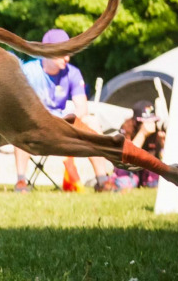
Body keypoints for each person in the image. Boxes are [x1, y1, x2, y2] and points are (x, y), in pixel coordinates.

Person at [13, 28, 112, 193]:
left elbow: (82, 109)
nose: (68, 58)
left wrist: (66, 122)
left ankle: (103, 181)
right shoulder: (28, 71)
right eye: (63, 52)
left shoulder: (72, 73)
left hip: (63, 125)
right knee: (20, 125)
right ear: (47, 51)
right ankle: (21, 181)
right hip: (35, 127)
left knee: (91, 121)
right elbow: (19, 106)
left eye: (69, 52)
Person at [110, 100, 164, 190]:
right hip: (129, 168)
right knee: (125, 184)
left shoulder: (157, 133)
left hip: (147, 168)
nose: (150, 125)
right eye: (145, 122)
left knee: (155, 183)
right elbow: (126, 156)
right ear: (137, 121)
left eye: (152, 121)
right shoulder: (127, 128)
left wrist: (162, 144)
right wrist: (142, 134)